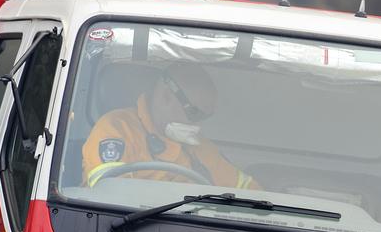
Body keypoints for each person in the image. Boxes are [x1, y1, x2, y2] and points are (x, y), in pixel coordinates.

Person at [82, 62, 258, 190]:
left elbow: (245, 189)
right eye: (194, 113)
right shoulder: (116, 129)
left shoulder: (199, 147)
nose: (197, 124)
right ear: (166, 97)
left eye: (205, 117)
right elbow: (109, 195)